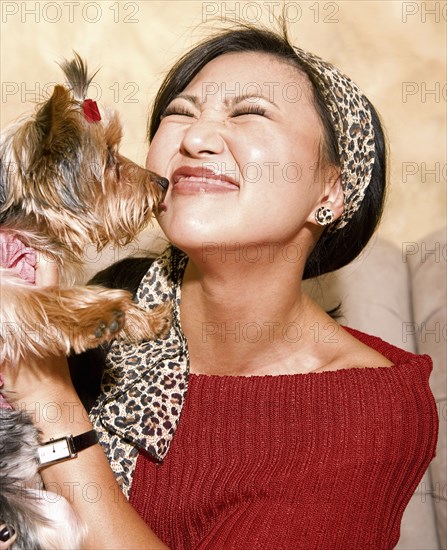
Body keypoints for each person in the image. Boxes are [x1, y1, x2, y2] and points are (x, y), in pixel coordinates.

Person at [2, 25, 438, 549]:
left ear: (332, 188)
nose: (196, 138)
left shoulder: (371, 412)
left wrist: (46, 388)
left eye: (248, 112)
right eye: (180, 113)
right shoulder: (107, 301)